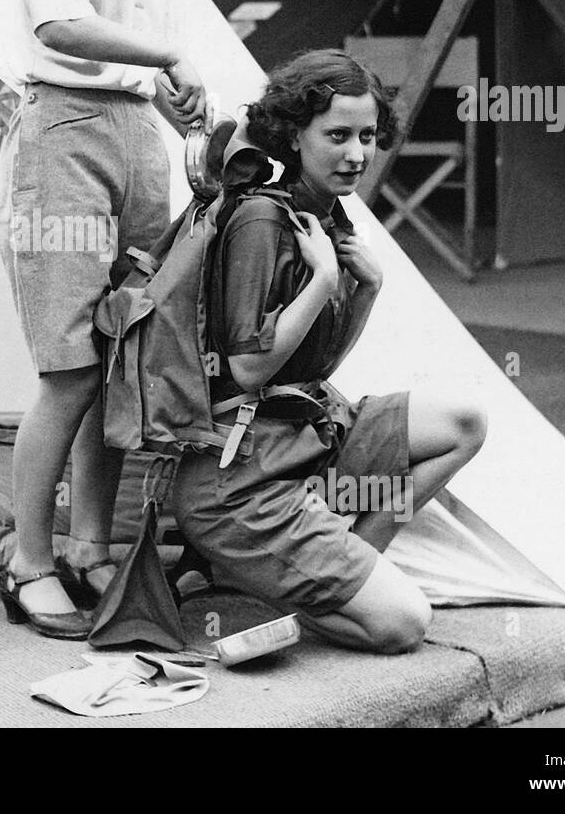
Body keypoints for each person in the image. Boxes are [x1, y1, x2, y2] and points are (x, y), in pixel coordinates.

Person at [0, 0, 224, 638]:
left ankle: (92, 546)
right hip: (64, 134)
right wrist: (164, 58)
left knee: (121, 350)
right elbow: (58, 24)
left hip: (133, 135)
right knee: (69, 365)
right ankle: (28, 564)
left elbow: (137, 50)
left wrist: (180, 111)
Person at [171, 49, 489, 653]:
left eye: (368, 136)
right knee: (402, 626)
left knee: (464, 423)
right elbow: (247, 368)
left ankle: (349, 570)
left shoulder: (325, 212)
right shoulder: (263, 218)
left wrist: (366, 289)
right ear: (294, 135)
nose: (357, 154)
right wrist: (321, 282)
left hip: (305, 439)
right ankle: (287, 582)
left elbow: (313, 367)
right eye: (337, 135)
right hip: (239, 480)